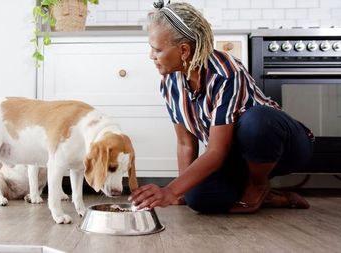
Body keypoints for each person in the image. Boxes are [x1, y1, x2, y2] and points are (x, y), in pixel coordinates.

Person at [129, 1, 314, 213]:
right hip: (238, 159)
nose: (151, 56)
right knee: (197, 197)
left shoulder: (226, 72)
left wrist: (169, 190)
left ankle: (258, 185)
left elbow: (216, 151)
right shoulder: (170, 83)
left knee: (256, 121)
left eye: (157, 50)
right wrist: (179, 192)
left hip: (285, 147)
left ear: (184, 50)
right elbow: (185, 144)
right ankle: (273, 198)